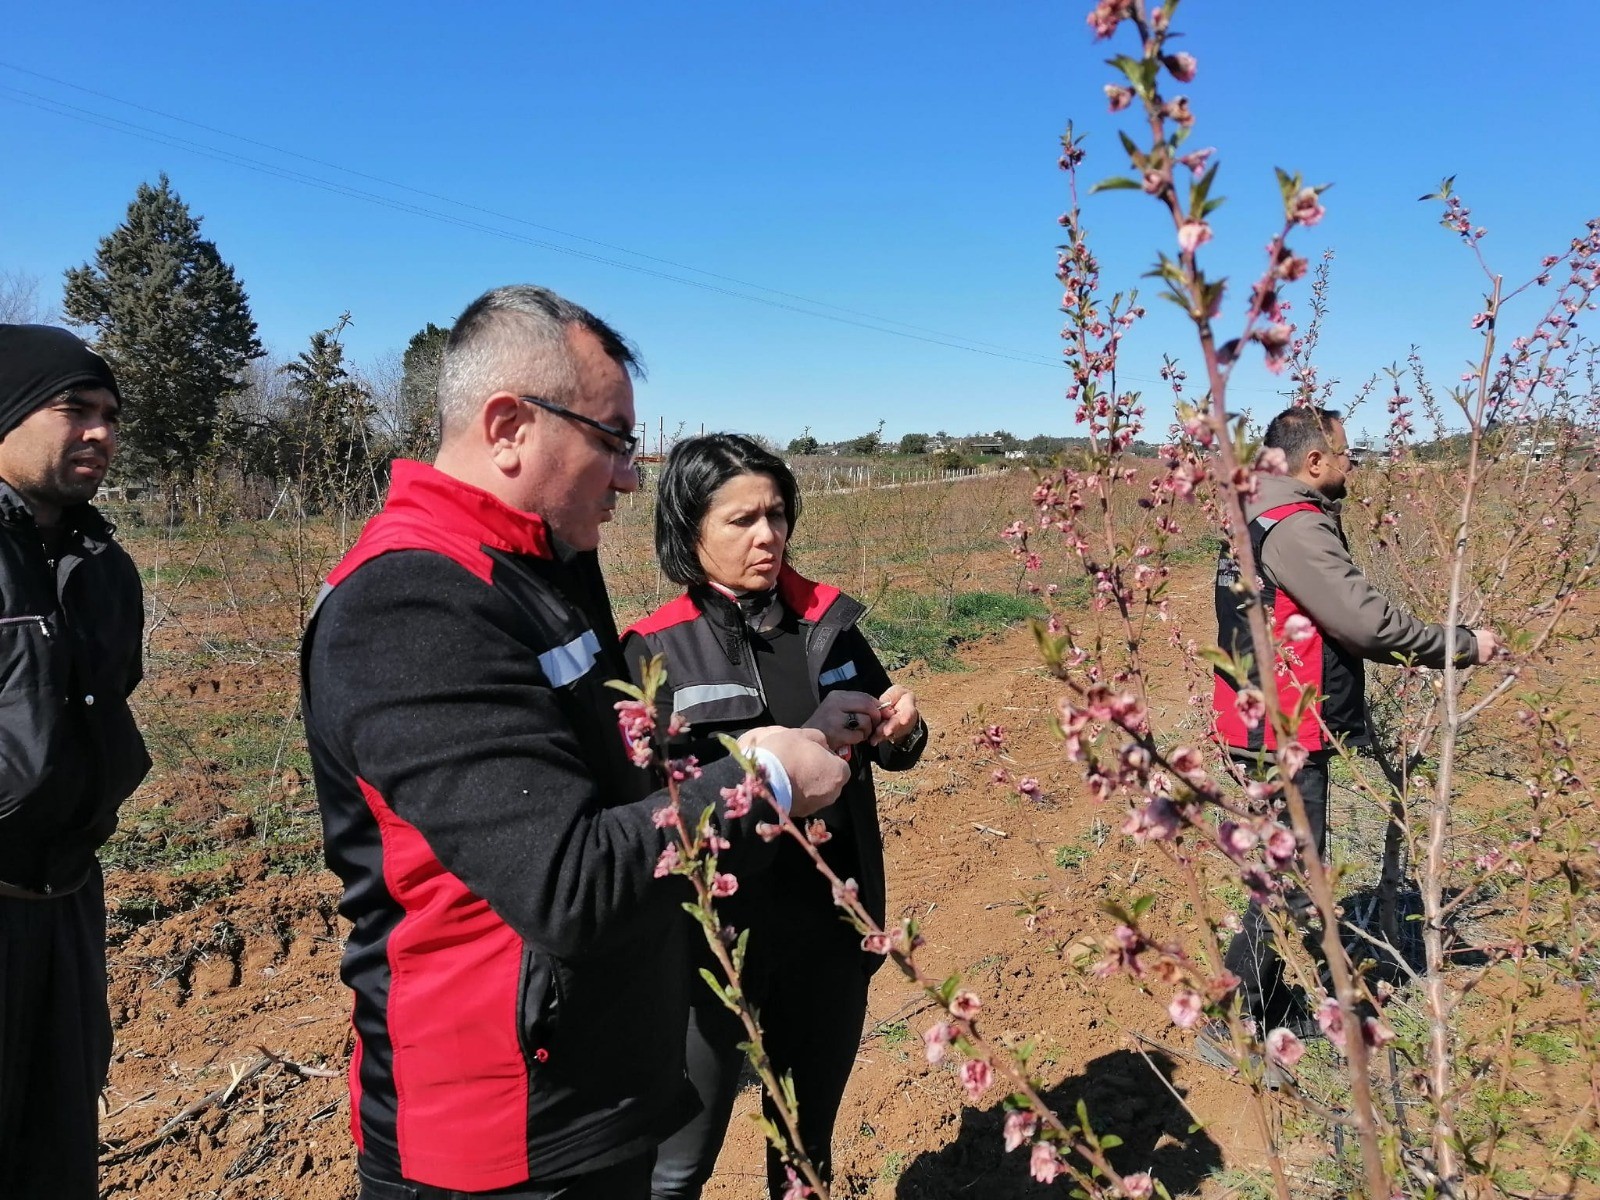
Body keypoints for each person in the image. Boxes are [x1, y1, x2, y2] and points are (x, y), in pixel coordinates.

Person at [301, 287, 849, 1200]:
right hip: (502, 1137)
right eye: (613, 441)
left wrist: (724, 752)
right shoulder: (413, 603)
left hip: (591, 1089)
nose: (631, 478)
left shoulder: (540, 569)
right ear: (509, 427)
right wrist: (763, 779)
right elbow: (568, 880)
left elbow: (606, 770)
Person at [622, 434, 927, 1200]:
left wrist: (902, 729)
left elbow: (892, 747)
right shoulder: (655, 652)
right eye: (742, 520)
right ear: (688, 529)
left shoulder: (829, 627)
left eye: (778, 514)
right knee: (676, 1165)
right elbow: (641, 817)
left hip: (828, 935)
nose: (769, 536)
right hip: (710, 954)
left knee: (804, 1149)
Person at [1208, 404, 1497, 1036]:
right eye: (1346, 455)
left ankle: (1263, 999)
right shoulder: (1293, 526)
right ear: (1314, 461)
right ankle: (1232, 1020)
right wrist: (1461, 644)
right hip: (1285, 727)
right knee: (1291, 877)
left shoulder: (1254, 514)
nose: (1352, 466)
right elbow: (1367, 625)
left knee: (1288, 870)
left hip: (1260, 718)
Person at [0, 324, 150, 1199]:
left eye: (111, 416)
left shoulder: (105, 568)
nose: (100, 432)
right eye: (75, 409)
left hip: (66, 900)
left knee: (58, 1146)